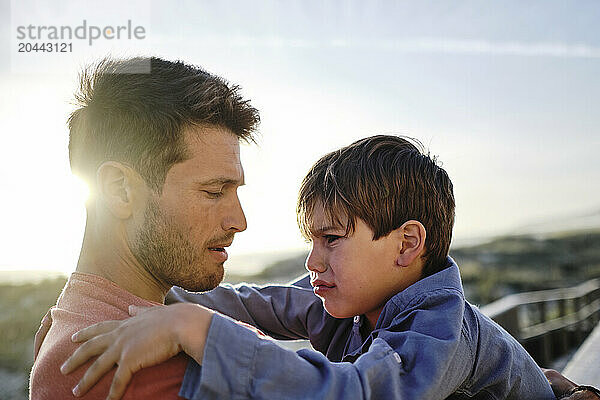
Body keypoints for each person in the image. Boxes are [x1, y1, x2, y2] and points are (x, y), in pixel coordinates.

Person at [61, 135, 566, 399]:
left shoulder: (441, 331)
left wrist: (196, 329)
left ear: (407, 244)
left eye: (331, 239)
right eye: (311, 240)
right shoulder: (350, 296)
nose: (312, 260)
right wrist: (136, 297)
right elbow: (256, 303)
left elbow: (357, 393)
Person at [29, 56, 260, 399]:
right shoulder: (124, 366)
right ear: (119, 190)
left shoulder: (81, 319)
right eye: (213, 192)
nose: (238, 222)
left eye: (234, 192)